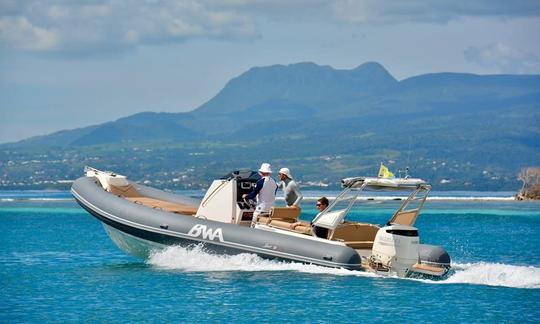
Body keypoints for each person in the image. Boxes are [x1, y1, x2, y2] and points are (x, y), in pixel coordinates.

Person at [242, 163, 277, 227]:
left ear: (261, 172)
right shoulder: (274, 181)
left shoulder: (260, 182)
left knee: (254, 225)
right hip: (271, 209)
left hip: (261, 209)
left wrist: (245, 196)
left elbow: (252, 195)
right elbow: (272, 193)